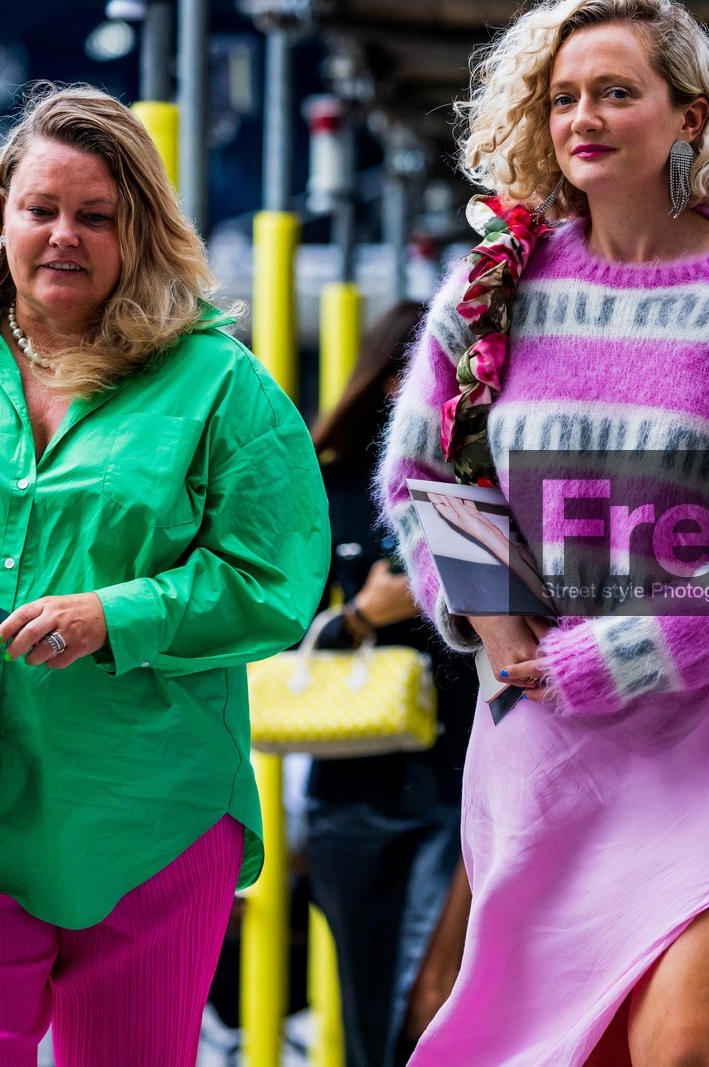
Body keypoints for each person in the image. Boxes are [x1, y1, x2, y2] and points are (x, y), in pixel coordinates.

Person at [0, 85, 329, 1064]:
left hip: (149, 817)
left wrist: (120, 614)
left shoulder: (219, 385)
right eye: (41, 209)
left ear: (139, 232)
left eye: (96, 215)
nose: (63, 235)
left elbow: (274, 580)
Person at [376, 1, 709, 1063]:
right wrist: (503, 634)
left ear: (689, 117)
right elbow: (425, 474)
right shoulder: (495, 287)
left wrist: (629, 650)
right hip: (544, 730)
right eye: (561, 97)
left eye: (614, 91)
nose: (581, 116)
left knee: (683, 1043)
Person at [304, 301, 479, 1067]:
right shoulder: (324, 488)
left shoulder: (480, 491)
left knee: (434, 995)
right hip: (351, 793)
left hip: (459, 787)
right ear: (387, 383)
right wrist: (362, 619)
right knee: (369, 1007)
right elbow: (276, 645)